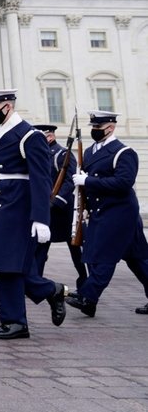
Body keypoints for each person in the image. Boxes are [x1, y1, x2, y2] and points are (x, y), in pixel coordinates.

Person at [0, 89, 65, 340]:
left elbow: (41, 179)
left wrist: (41, 217)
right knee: (3, 266)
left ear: (7, 106)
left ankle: (15, 322)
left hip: (19, 207)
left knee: (12, 267)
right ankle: (50, 292)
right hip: (1, 205)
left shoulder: (29, 135)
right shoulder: (1, 132)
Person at [66, 111, 148, 317]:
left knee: (103, 257)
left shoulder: (123, 152)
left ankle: (88, 296)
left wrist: (89, 181)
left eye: (98, 128)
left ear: (110, 128)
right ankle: (89, 301)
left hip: (120, 213)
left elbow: (123, 182)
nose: (94, 131)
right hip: (100, 212)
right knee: (138, 260)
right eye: (92, 127)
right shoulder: (90, 151)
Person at [33, 124, 87, 288]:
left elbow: (70, 180)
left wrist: (57, 200)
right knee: (40, 247)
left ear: (50, 137)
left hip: (63, 211)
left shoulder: (62, 154)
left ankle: (84, 281)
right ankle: (36, 281)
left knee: (75, 249)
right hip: (46, 208)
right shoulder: (39, 155)